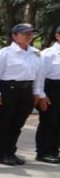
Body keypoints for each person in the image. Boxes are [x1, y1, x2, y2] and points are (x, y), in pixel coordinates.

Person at [0, 24, 43, 166]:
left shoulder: (35, 53)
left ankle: (11, 151)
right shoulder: (4, 53)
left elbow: (38, 76)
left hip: (26, 91)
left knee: (17, 124)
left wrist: (37, 92)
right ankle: (0, 154)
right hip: (8, 90)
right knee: (3, 123)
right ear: (14, 35)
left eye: (31, 33)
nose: (29, 36)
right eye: (25, 33)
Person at [34, 26, 60, 164]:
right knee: (49, 122)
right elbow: (40, 76)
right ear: (57, 36)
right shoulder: (48, 54)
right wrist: (41, 95)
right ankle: (43, 152)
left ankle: (54, 150)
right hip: (52, 89)